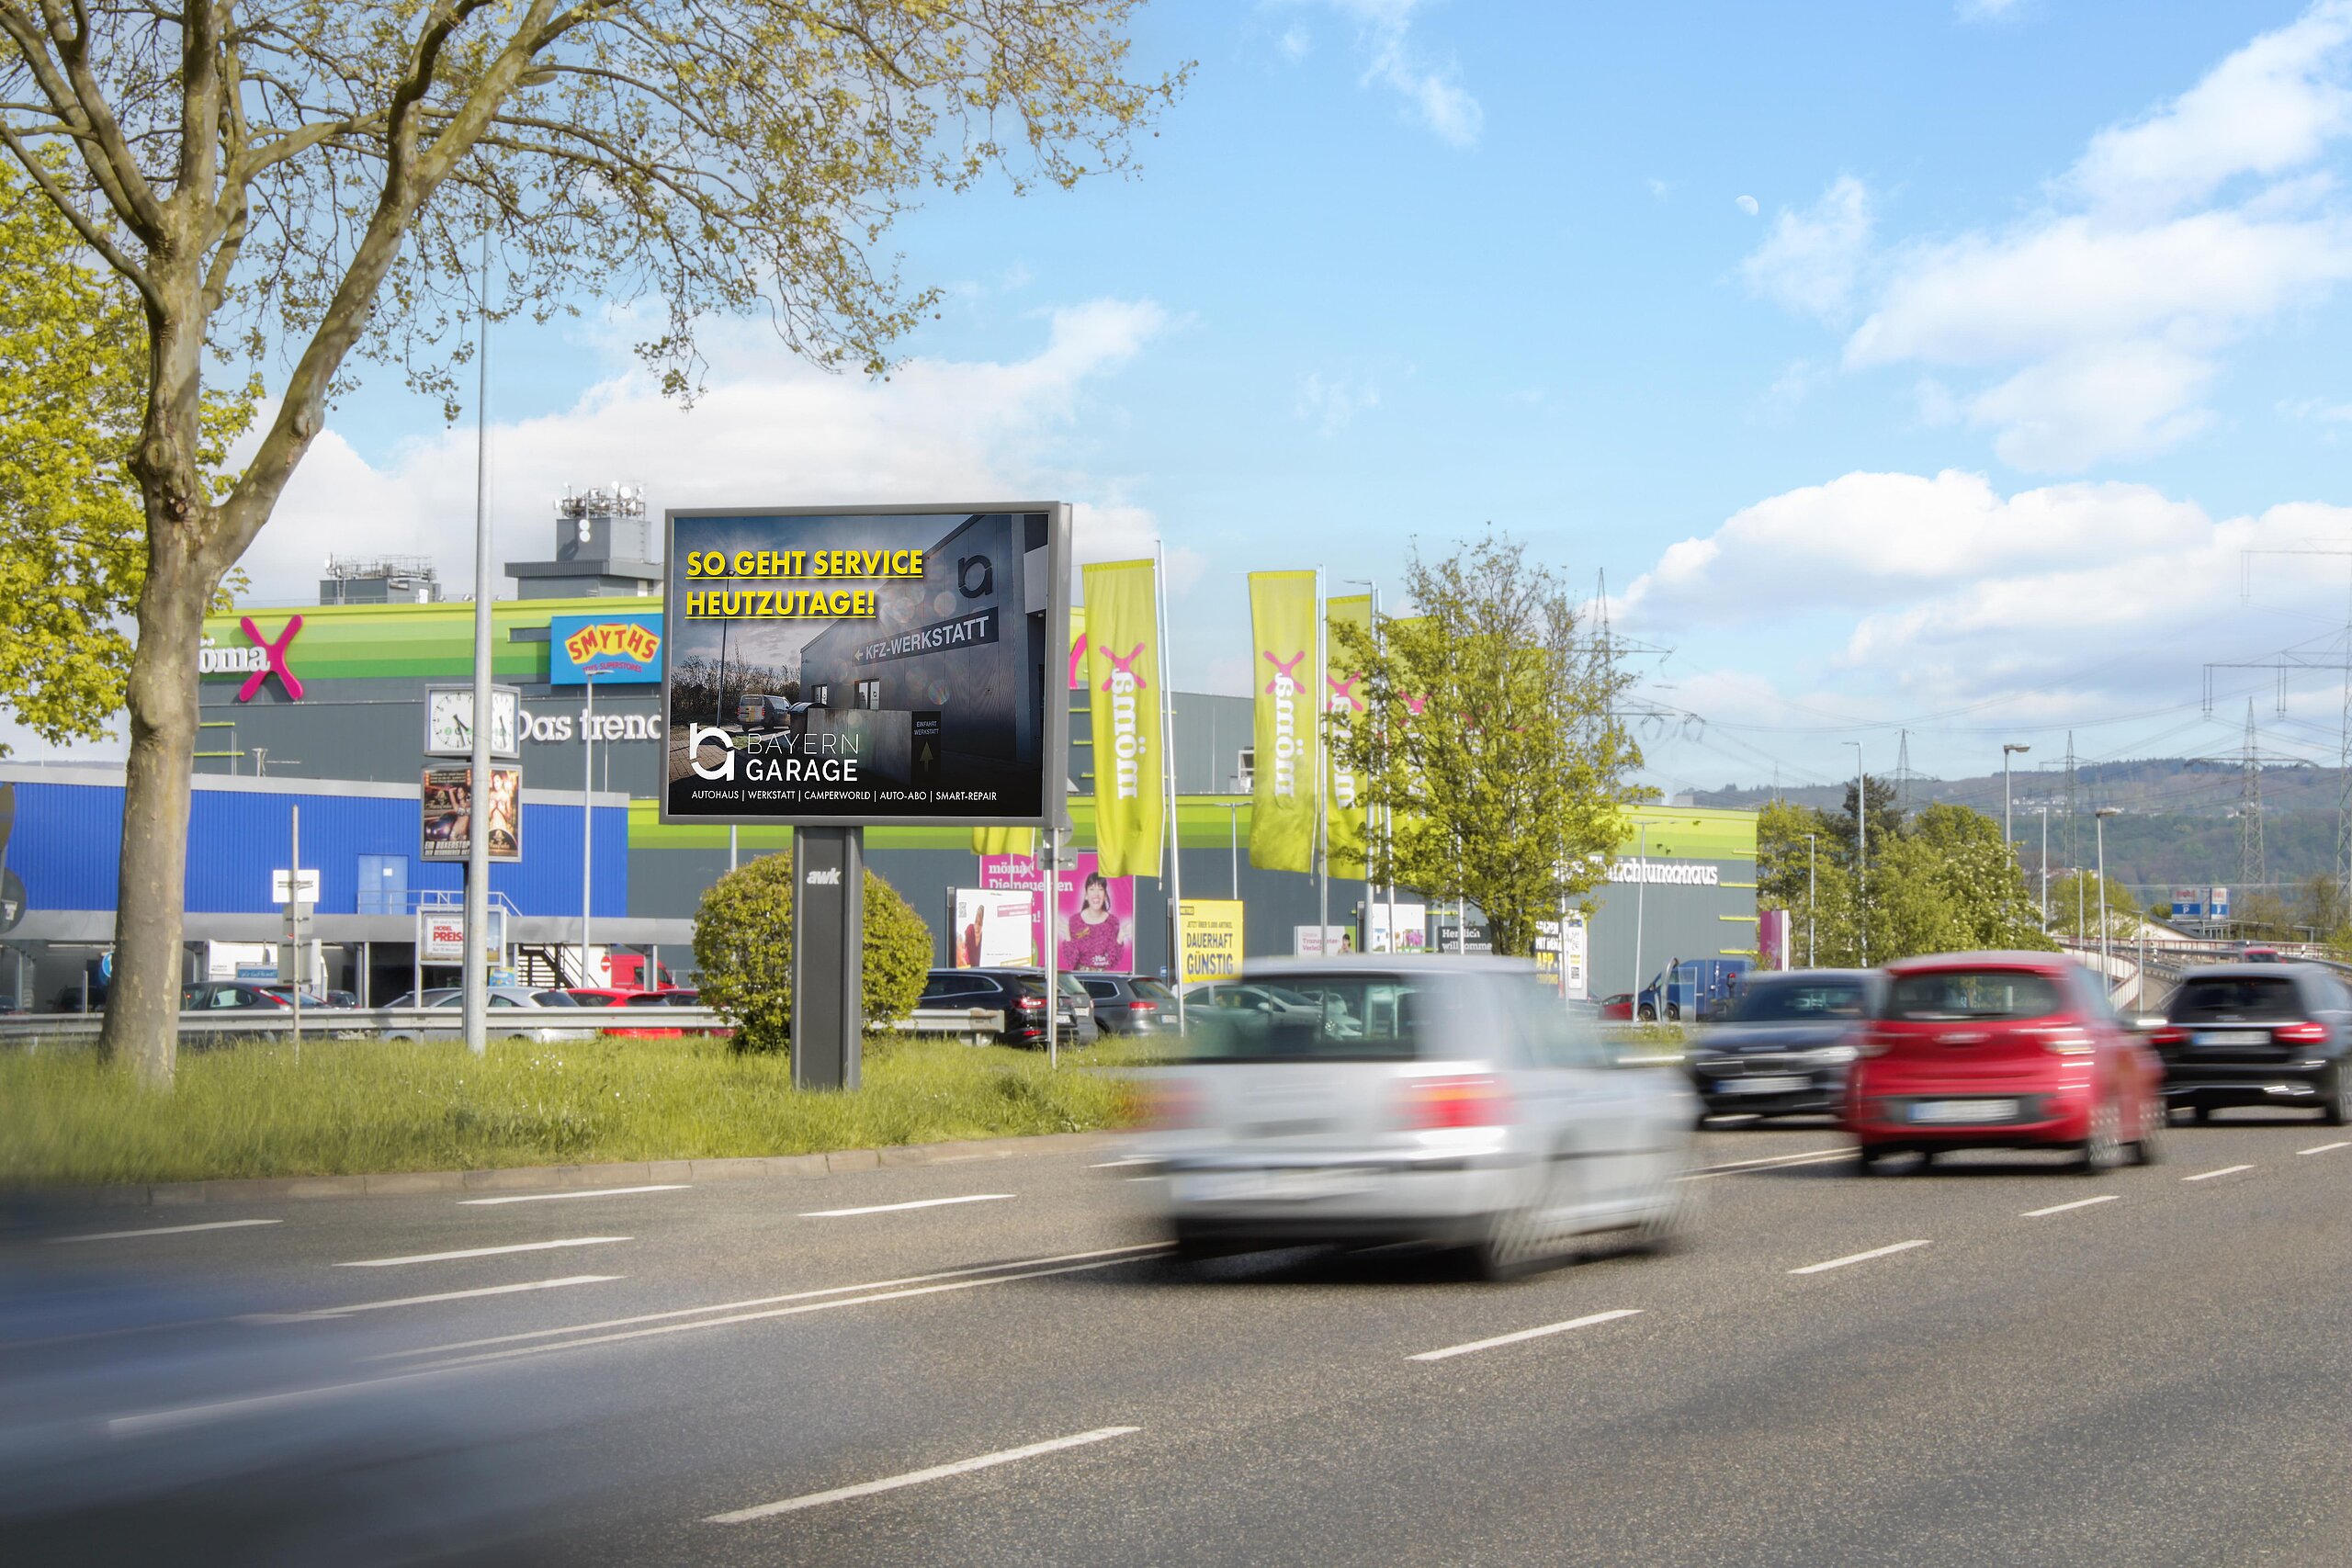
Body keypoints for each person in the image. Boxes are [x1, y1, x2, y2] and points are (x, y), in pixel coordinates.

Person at [1059, 872, 1125, 972]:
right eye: (1091, 889)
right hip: (1080, 981)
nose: (1096, 894)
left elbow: (1113, 960)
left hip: (1103, 980)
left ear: (1105, 896)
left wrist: (1120, 937)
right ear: (1086, 895)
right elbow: (1071, 960)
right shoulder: (1075, 921)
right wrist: (1067, 934)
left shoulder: (1112, 922)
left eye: (1100, 889)